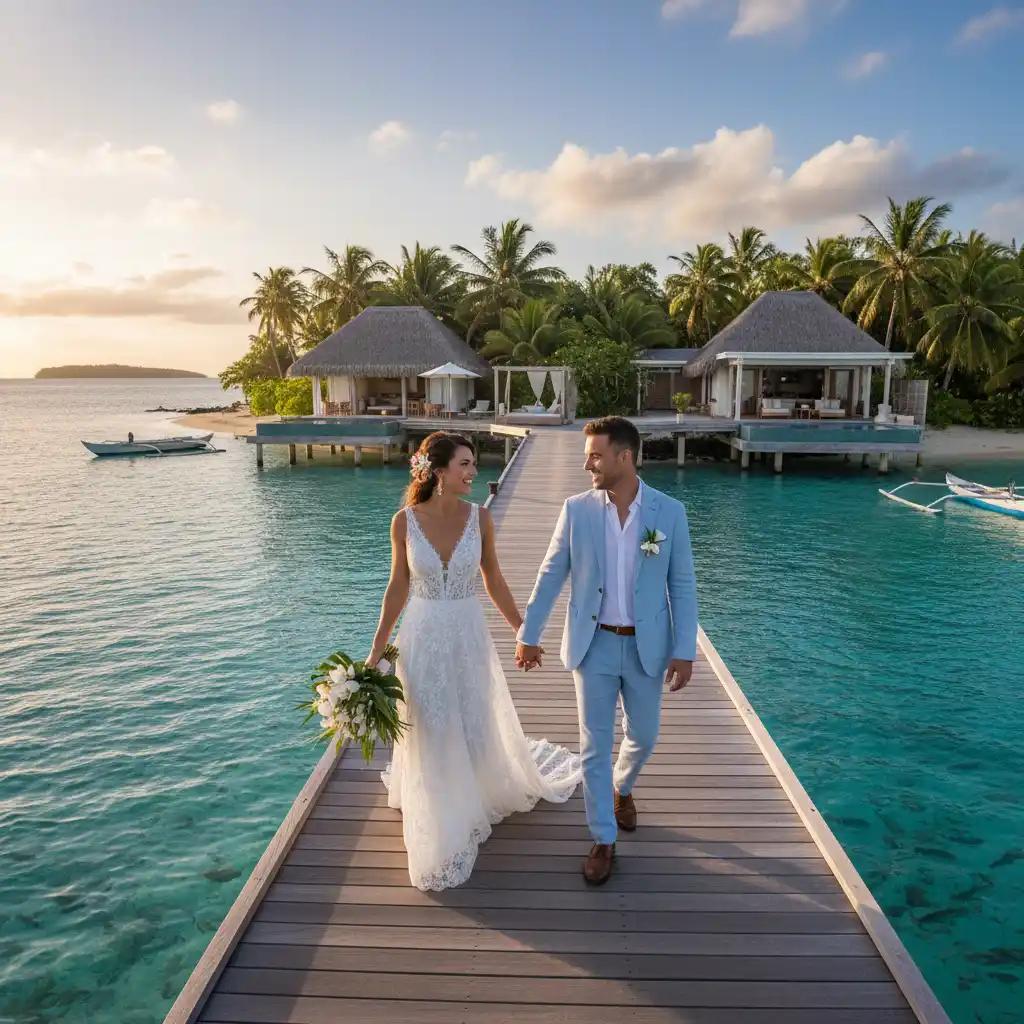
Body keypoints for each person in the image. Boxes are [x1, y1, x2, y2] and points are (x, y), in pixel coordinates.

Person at [368, 431, 581, 891]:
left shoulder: (480, 518)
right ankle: (439, 807)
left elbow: (495, 580)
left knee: (471, 713)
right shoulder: (403, 522)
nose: (473, 472)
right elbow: (398, 587)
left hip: (467, 633)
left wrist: (525, 631)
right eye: (465, 464)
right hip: (421, 635)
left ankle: (474, 791)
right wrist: (375, 653)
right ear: (438, 470)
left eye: (474, 463)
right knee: (429, 721)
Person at [515, 416, 698, 885]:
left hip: (648, 648)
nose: (586, 463)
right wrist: (528, 633)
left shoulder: (668, 513)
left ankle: (623, 786)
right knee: (594, 746)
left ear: (625, 456)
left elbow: (682, 585)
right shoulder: (576, 510)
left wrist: (685, 648)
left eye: (595, 454)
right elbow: (551, 573)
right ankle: (602, 837)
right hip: (591, 646)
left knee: (646, 736)